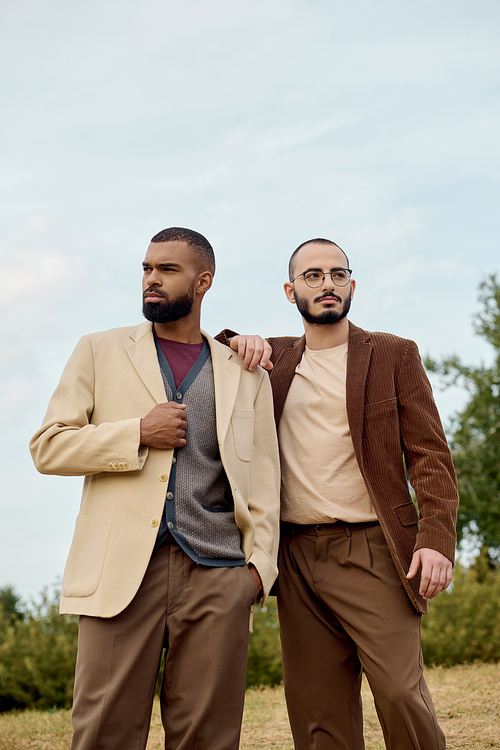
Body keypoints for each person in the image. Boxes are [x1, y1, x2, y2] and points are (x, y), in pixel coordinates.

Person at [30, 227, 280, 750]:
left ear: (203, 281)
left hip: (217, 571)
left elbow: (263, 479)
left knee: (208, 737)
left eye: (167, 270)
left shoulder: (244, 370)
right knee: (103, 732)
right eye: (146, 269)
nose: (151, 280)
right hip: (120, 572)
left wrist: (257, 571)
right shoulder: (98, 351)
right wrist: (137, 432)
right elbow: (48, 447)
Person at [216, 238, 459, 750]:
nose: (328, 284)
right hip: (297, 555)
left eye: (338, 274)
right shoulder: (274, 359)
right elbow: (209, 348)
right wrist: (238, 340)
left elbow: (431, 457)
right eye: (313, 276)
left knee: (399, 694)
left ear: (352, 285)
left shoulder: (394, 353)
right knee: (318, 714)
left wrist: (435, 538)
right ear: (290, 290)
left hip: (374, 550)